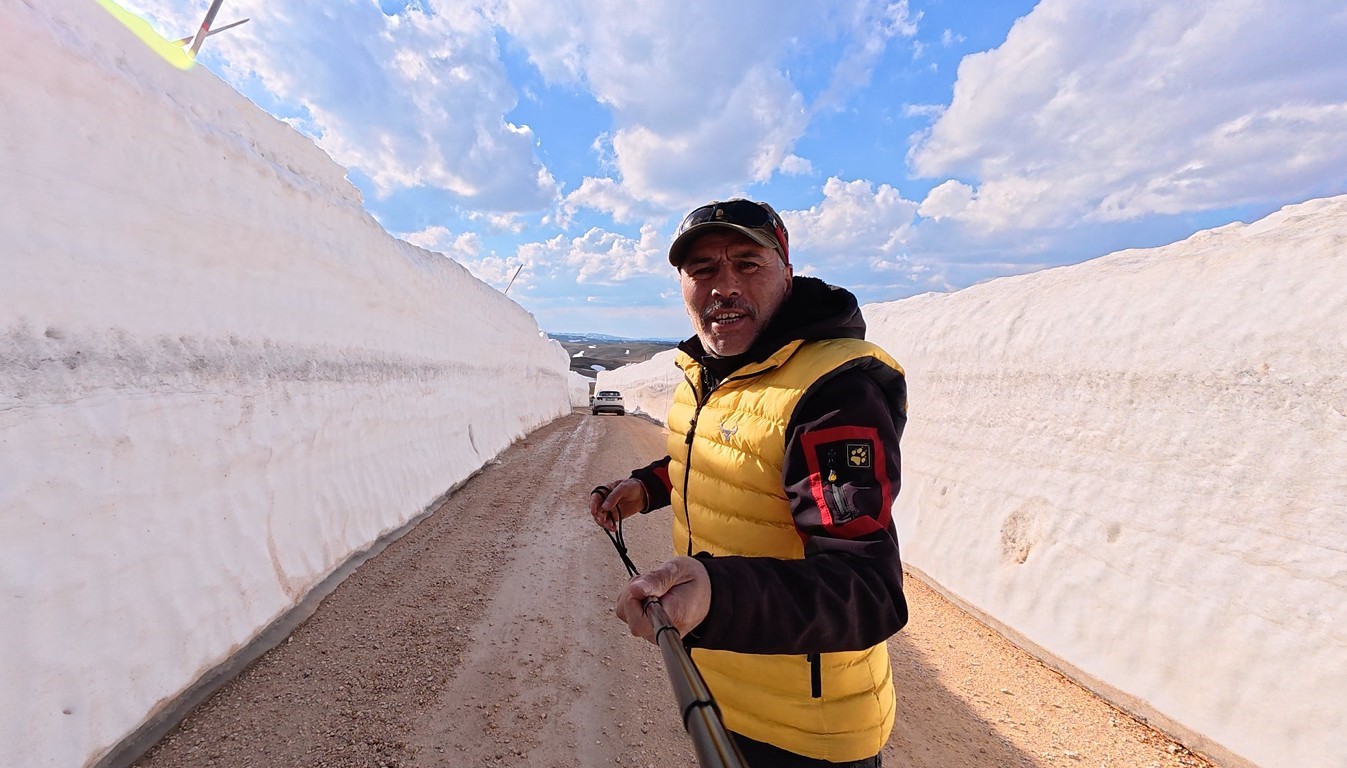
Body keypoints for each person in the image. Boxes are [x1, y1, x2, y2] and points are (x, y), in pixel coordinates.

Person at [588, 199, 909, 767]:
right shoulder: (708, 374)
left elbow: (867, 588)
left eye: (747, 263)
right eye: (703, 270)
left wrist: (716, 593)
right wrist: (646, 487)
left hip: (810, 731)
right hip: (724, 691)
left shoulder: (831, 394)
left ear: (786, 270)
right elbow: (724, 455)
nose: (724, 286)